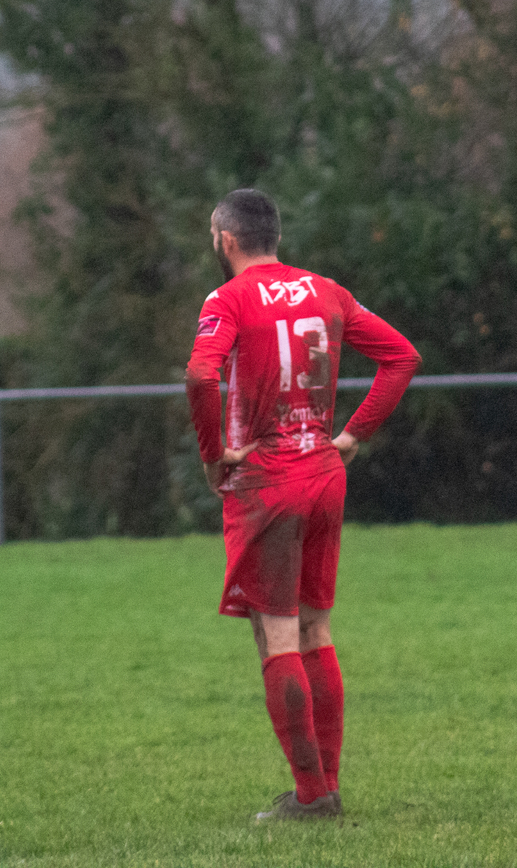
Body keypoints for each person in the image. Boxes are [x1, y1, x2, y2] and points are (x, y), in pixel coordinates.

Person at [184, 188, 421, 821]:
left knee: (278, 634)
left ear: (226, 240)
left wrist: (212, 455)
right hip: (323, 470)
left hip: (267, 479)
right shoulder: (327, 291)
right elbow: (402, 356)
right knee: (317, 628)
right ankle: (326, 788)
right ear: (276, 237)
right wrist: (352, 435)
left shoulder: (226, 299)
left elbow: (202, 374)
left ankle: (312, 796)